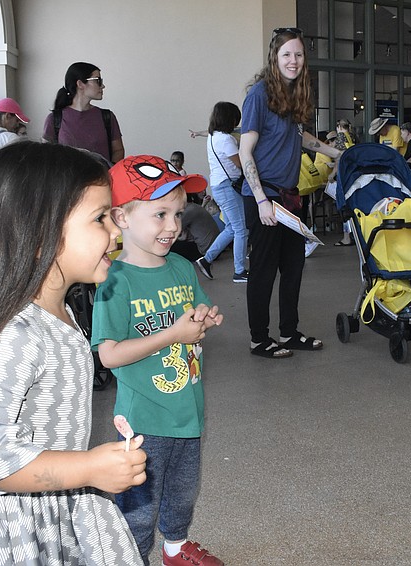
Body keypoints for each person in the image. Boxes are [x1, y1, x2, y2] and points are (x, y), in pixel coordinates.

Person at [0, 141, 146, 564]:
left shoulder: (60, 311)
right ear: (39, 235)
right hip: (12, 528)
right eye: (100, 218)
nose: (116, 230)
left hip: (50, 500)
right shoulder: (16, 334)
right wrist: (88, 469)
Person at [92, 155, 224, 566]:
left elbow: (197, 312)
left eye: (179, 214)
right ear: (123, 217)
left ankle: (175, 548)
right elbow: (109, 354)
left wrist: (205, 318)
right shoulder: (114, 280)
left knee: (183, 490)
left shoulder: (182, 268)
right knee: (139, 503)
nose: (174, 226)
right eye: (161, 214)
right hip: (144, 419)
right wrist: (172, 334)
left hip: (187, 406)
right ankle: (131, 557)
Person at [239, 27, 343, 359]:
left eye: (298, 54)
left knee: (293, 267)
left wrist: (337, 153)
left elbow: (302, 138)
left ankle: (289, 332)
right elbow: (245, 152)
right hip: (264, 197)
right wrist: (261, 201)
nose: (293, 60)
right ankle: (259, 339)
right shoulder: (259, 95)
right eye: (286, 54)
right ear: (275, 58)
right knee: (263, 270)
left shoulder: (294, 95)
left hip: (289, 197)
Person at [196, 101, 249, 283]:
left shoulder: (213, 136)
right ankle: (239, 271)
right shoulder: (226, 139)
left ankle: (207, 260)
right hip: (228, 187)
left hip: (219, 186)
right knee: (241, 229)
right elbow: (241, 163)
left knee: (231, 228)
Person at [43, 61, 125, 164]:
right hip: (68, 179)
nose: (103, 86)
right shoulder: (54, 119)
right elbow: (46, 157)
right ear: (80, 84)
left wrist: (110, 171)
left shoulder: (107, 117)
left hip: (101, 178)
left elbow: (118, 150)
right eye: (98, 80)